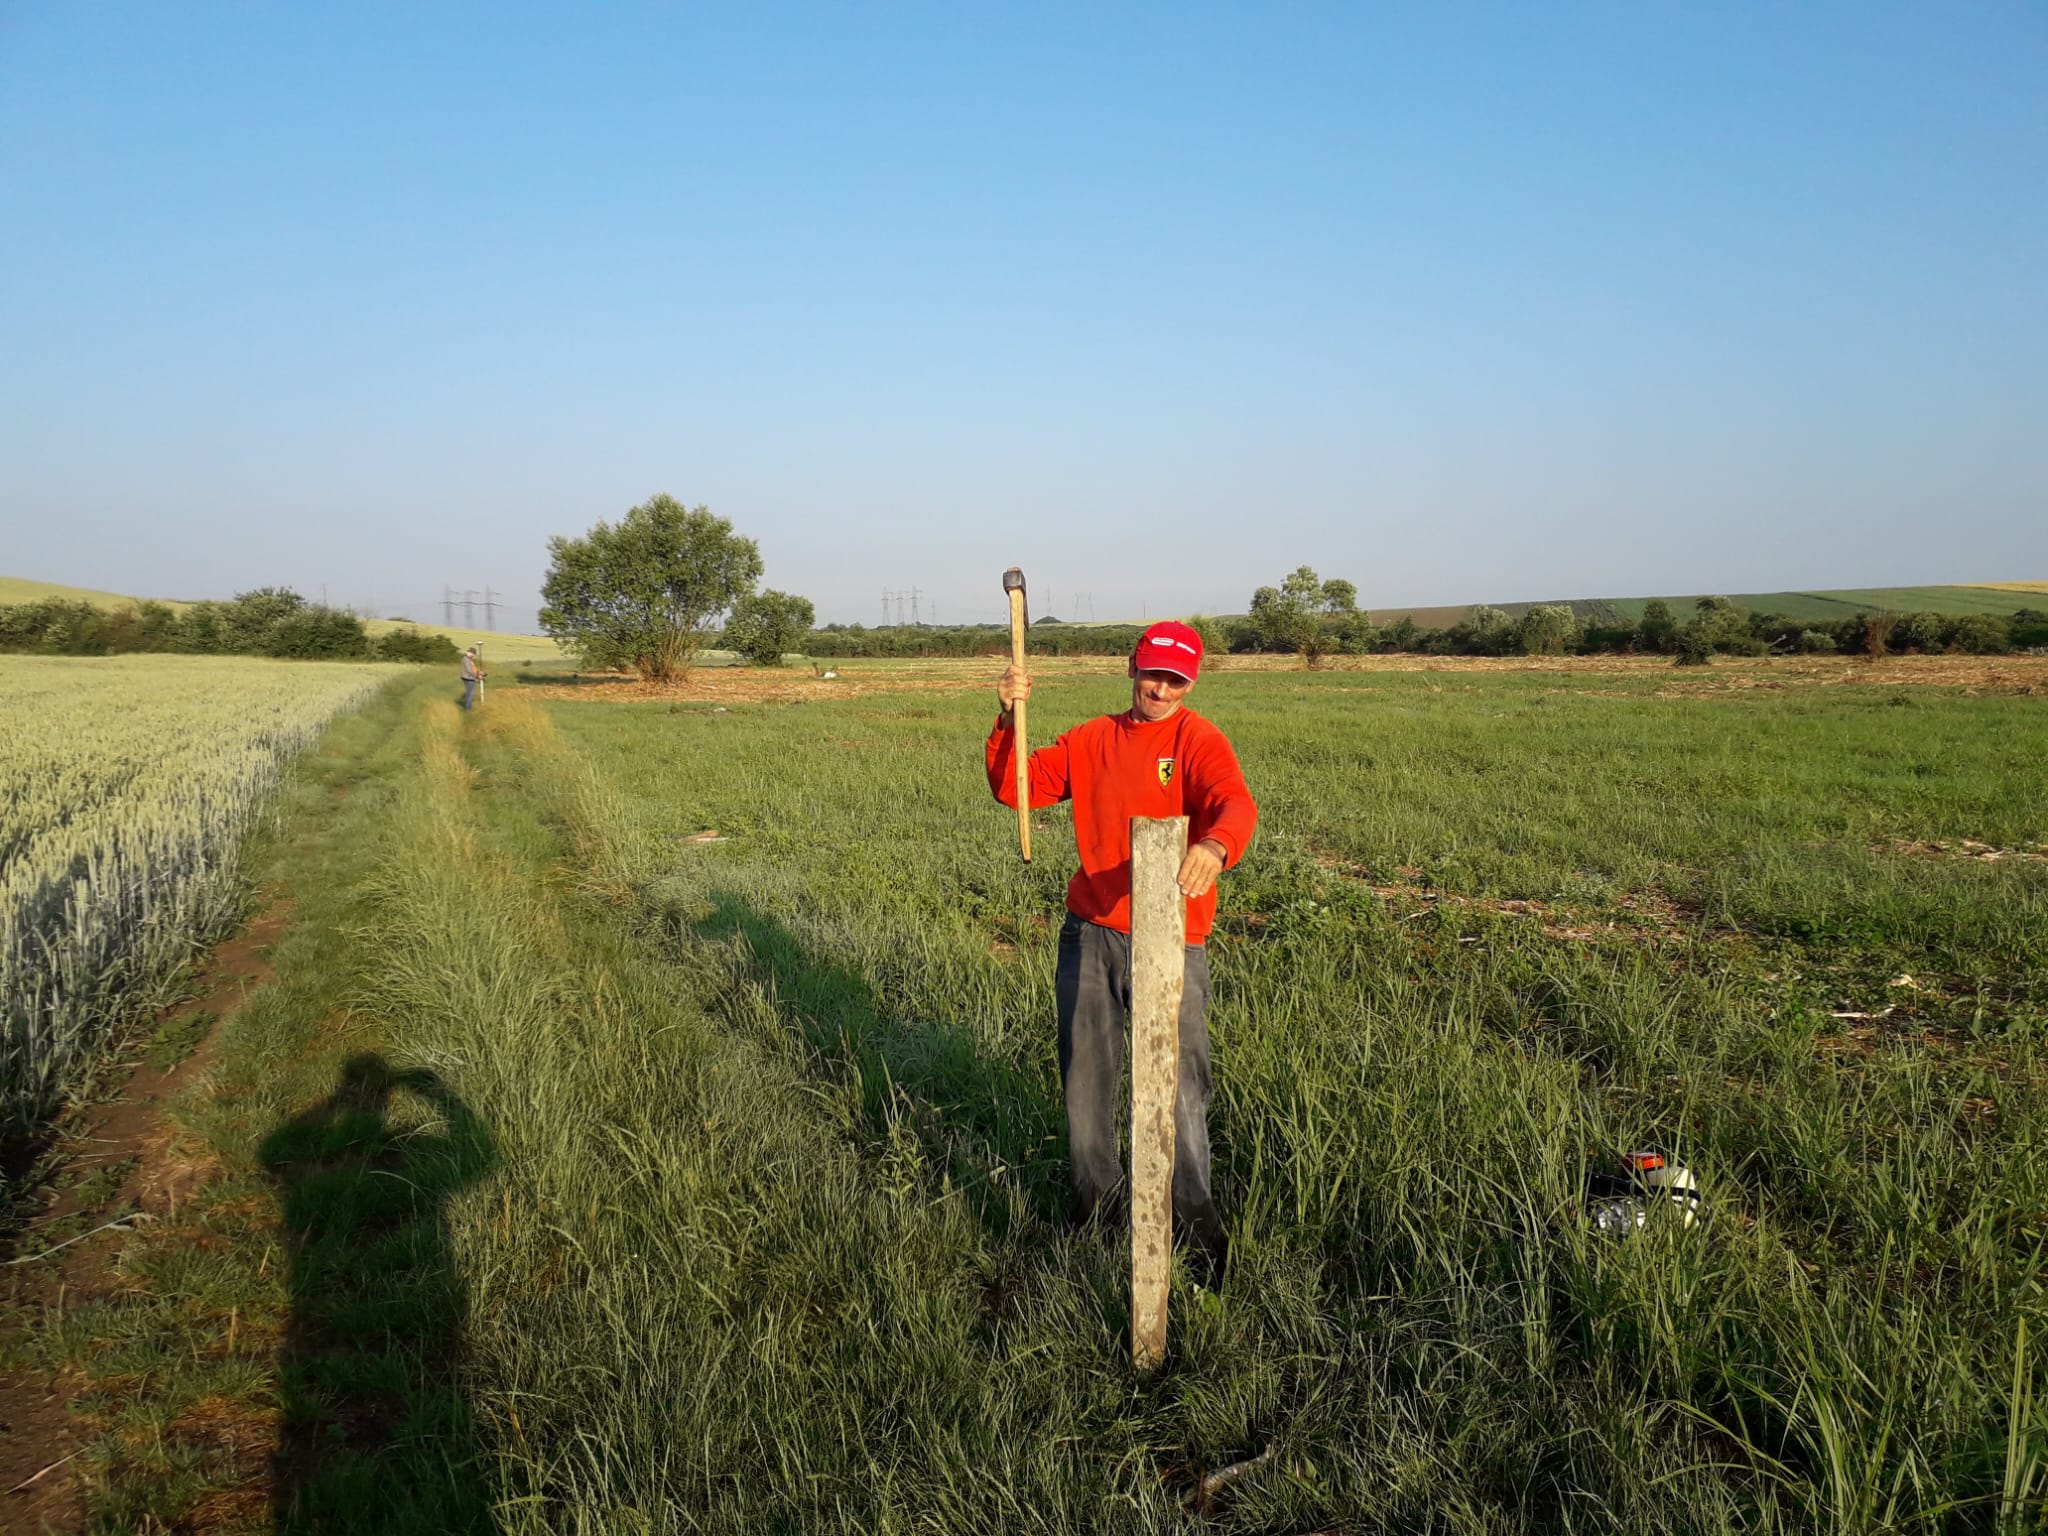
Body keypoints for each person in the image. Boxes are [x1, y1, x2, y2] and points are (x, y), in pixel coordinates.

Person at [986, 620, 1257, 1282]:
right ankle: (1097, 1220)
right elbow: (1017, 788)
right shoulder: (1091, 738)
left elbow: (1234, 803)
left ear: (1189, 683)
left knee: (1180, 1092)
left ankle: (1195, 1237)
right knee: (1086, 1081)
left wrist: (1214, 846)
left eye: (1175, 680)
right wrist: (1007, 718)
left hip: (1173, 935)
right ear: (1132, 668)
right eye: (1152, 673)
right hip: (1092, 933)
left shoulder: (1196, 739)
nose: (1160, 688)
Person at [459, 645, 484, 710]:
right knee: (470, 694)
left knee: (470, 693)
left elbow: (472, 669)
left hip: (468, 678)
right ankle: (468, 709)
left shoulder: (467, 659)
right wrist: (477, 676)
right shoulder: (466, 659)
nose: (473, 655)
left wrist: (478, 672)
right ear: (470, 652)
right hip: (468, 678)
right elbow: (469, 670)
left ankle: (468, 707)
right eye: (473, 654)